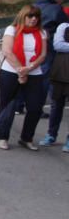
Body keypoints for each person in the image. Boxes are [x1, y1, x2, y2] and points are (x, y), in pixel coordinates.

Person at [0, 5, 48, 150]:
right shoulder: (12, 29)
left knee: (35, 107)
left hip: (34, 72)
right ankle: (3, 136)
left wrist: (29, 68)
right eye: (30, 16)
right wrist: (21, 71)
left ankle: (27, 137)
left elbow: (43, 55)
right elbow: (7, 51)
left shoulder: (41, 32)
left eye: (36, 16)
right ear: (23, 16)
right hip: (11, 71)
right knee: (7, 105)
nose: (33, 19)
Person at [40, 22, 69, 151]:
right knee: (56, 105)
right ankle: (51, 134)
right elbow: (58, 45)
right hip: (60, 72)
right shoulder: (63, 26)